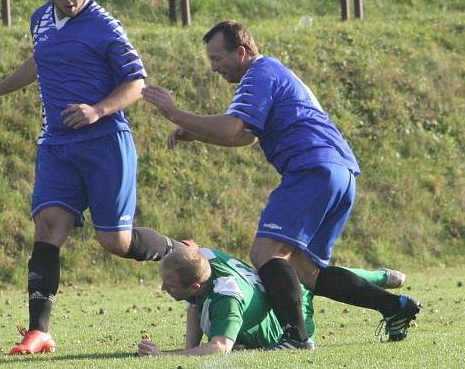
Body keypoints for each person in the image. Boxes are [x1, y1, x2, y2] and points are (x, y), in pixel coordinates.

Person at [142, 20, 421, 349]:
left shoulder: (259, 73)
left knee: (265, 252)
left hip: (310, 167)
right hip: (339, 172)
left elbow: (233, 129)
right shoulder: (272, 73)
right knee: (307, 272)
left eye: (217, 58)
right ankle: (396, 307)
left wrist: (175, 113)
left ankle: (296, 337)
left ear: (242, 52)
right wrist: (196, 131)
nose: (213, 67)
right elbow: (245, 136)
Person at [0, 0, 186, 355]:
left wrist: (97, 110)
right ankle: (38, 331)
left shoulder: (105, 25)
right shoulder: (40, 19)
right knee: (48, 227)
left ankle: (182, 251)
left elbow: (136, 83)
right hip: (57, 145)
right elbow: (39, 62)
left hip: (105, 144)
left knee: (115, 243)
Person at [137, 247, 407, 356]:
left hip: (290, 320)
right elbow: (195, 303)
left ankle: (380, 277)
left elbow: (220, 347)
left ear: (196, 285)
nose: (162, 288)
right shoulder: (205, 259)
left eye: (169, 284)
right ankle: (382, 276)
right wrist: (190, 349)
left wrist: (166, 356)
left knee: (314, 283)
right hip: (274, 291)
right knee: (311, 278)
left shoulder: (226, 298)